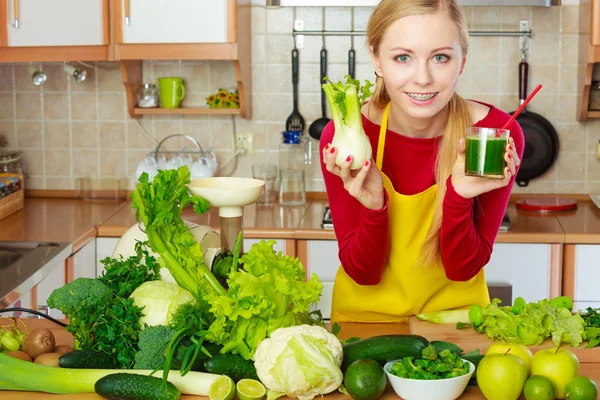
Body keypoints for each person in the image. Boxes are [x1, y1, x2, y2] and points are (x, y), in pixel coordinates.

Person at [320, 0, 525, 323]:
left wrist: (458, 196)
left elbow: (463, 270)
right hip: (366, 321)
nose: (423, 78)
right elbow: (364, 273)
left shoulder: (491, 136)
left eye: (440, 57)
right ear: (376, 60)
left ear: (462, 62)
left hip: (455, 325)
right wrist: (374, 206)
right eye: (403, 57)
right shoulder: (347, 136)